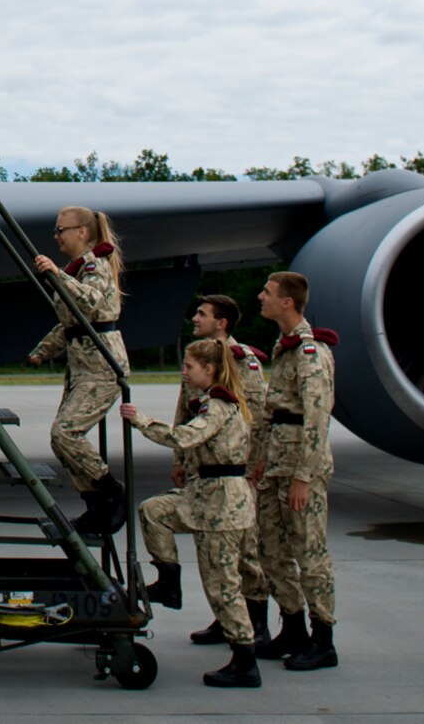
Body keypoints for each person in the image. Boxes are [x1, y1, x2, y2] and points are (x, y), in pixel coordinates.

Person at [123, 338, 263, 689]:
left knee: (222, 585)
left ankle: (245, 660)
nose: (184, 372)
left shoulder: (217, 406)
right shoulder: (210, 402)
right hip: (204, 496)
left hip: (221, 507)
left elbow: (182, 438)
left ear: (211, 370)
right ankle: (169, 582)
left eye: (190, 367)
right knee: (154, 511)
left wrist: (140, 421)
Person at [251, 271, 340, 671]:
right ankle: (292, 627)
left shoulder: (310, 353)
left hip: (301, 468)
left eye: (267, 293)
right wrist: (260, 459)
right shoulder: (284, 349)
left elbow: (317, 418)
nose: (261, 298)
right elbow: (274, 413)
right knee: (272, 549)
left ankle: (323, 640)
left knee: (310, 551)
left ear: (287, 302)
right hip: (276, 465)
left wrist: (305, 475)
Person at [27, 208, 129, 537]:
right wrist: (43, 351)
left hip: (101, 366)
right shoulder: (79, 268)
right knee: (61, 441)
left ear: (82, 232)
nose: (57, 236)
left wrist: (58, 274)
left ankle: (111, 492)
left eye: (62, 230)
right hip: (82, 367)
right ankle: (95, 505)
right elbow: (72, 323)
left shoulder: (93, 265)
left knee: (65, 434)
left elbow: (90, 303)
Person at [184, 295, 271, 647]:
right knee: (211, 552)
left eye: (202, 314)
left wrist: (256, 463)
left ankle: (257, 622)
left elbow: (257, 416)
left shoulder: (242, 361)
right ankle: (225, 617)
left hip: (237, 472)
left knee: (246, 553)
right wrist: (180, 460)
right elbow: (185, 409)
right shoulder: (198, 358)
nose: (195, 318)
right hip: (203, 470)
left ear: (221, 323)